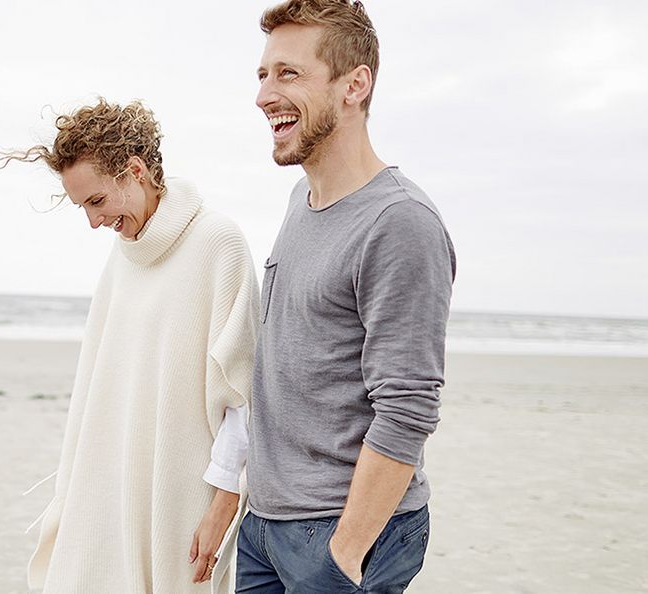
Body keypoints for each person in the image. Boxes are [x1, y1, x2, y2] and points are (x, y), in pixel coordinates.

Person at [0, 98, 257, 593]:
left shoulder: (219, 244)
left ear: (134, 171)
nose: (94, 223)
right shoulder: (124, 257)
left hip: (182, 495)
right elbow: (102, 390)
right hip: (112, 486)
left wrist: (224, 505)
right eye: (82, 207)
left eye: (97, 202)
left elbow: (243, 398)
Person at [237, 1, 457, 592]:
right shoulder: (300, 202)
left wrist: (345, 553)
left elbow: (409, 407)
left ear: (354, 85)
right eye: (262, 75)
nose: (263, 95)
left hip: (339, 532)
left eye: (288, 73)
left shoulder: (399, 222)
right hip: (264, 526)